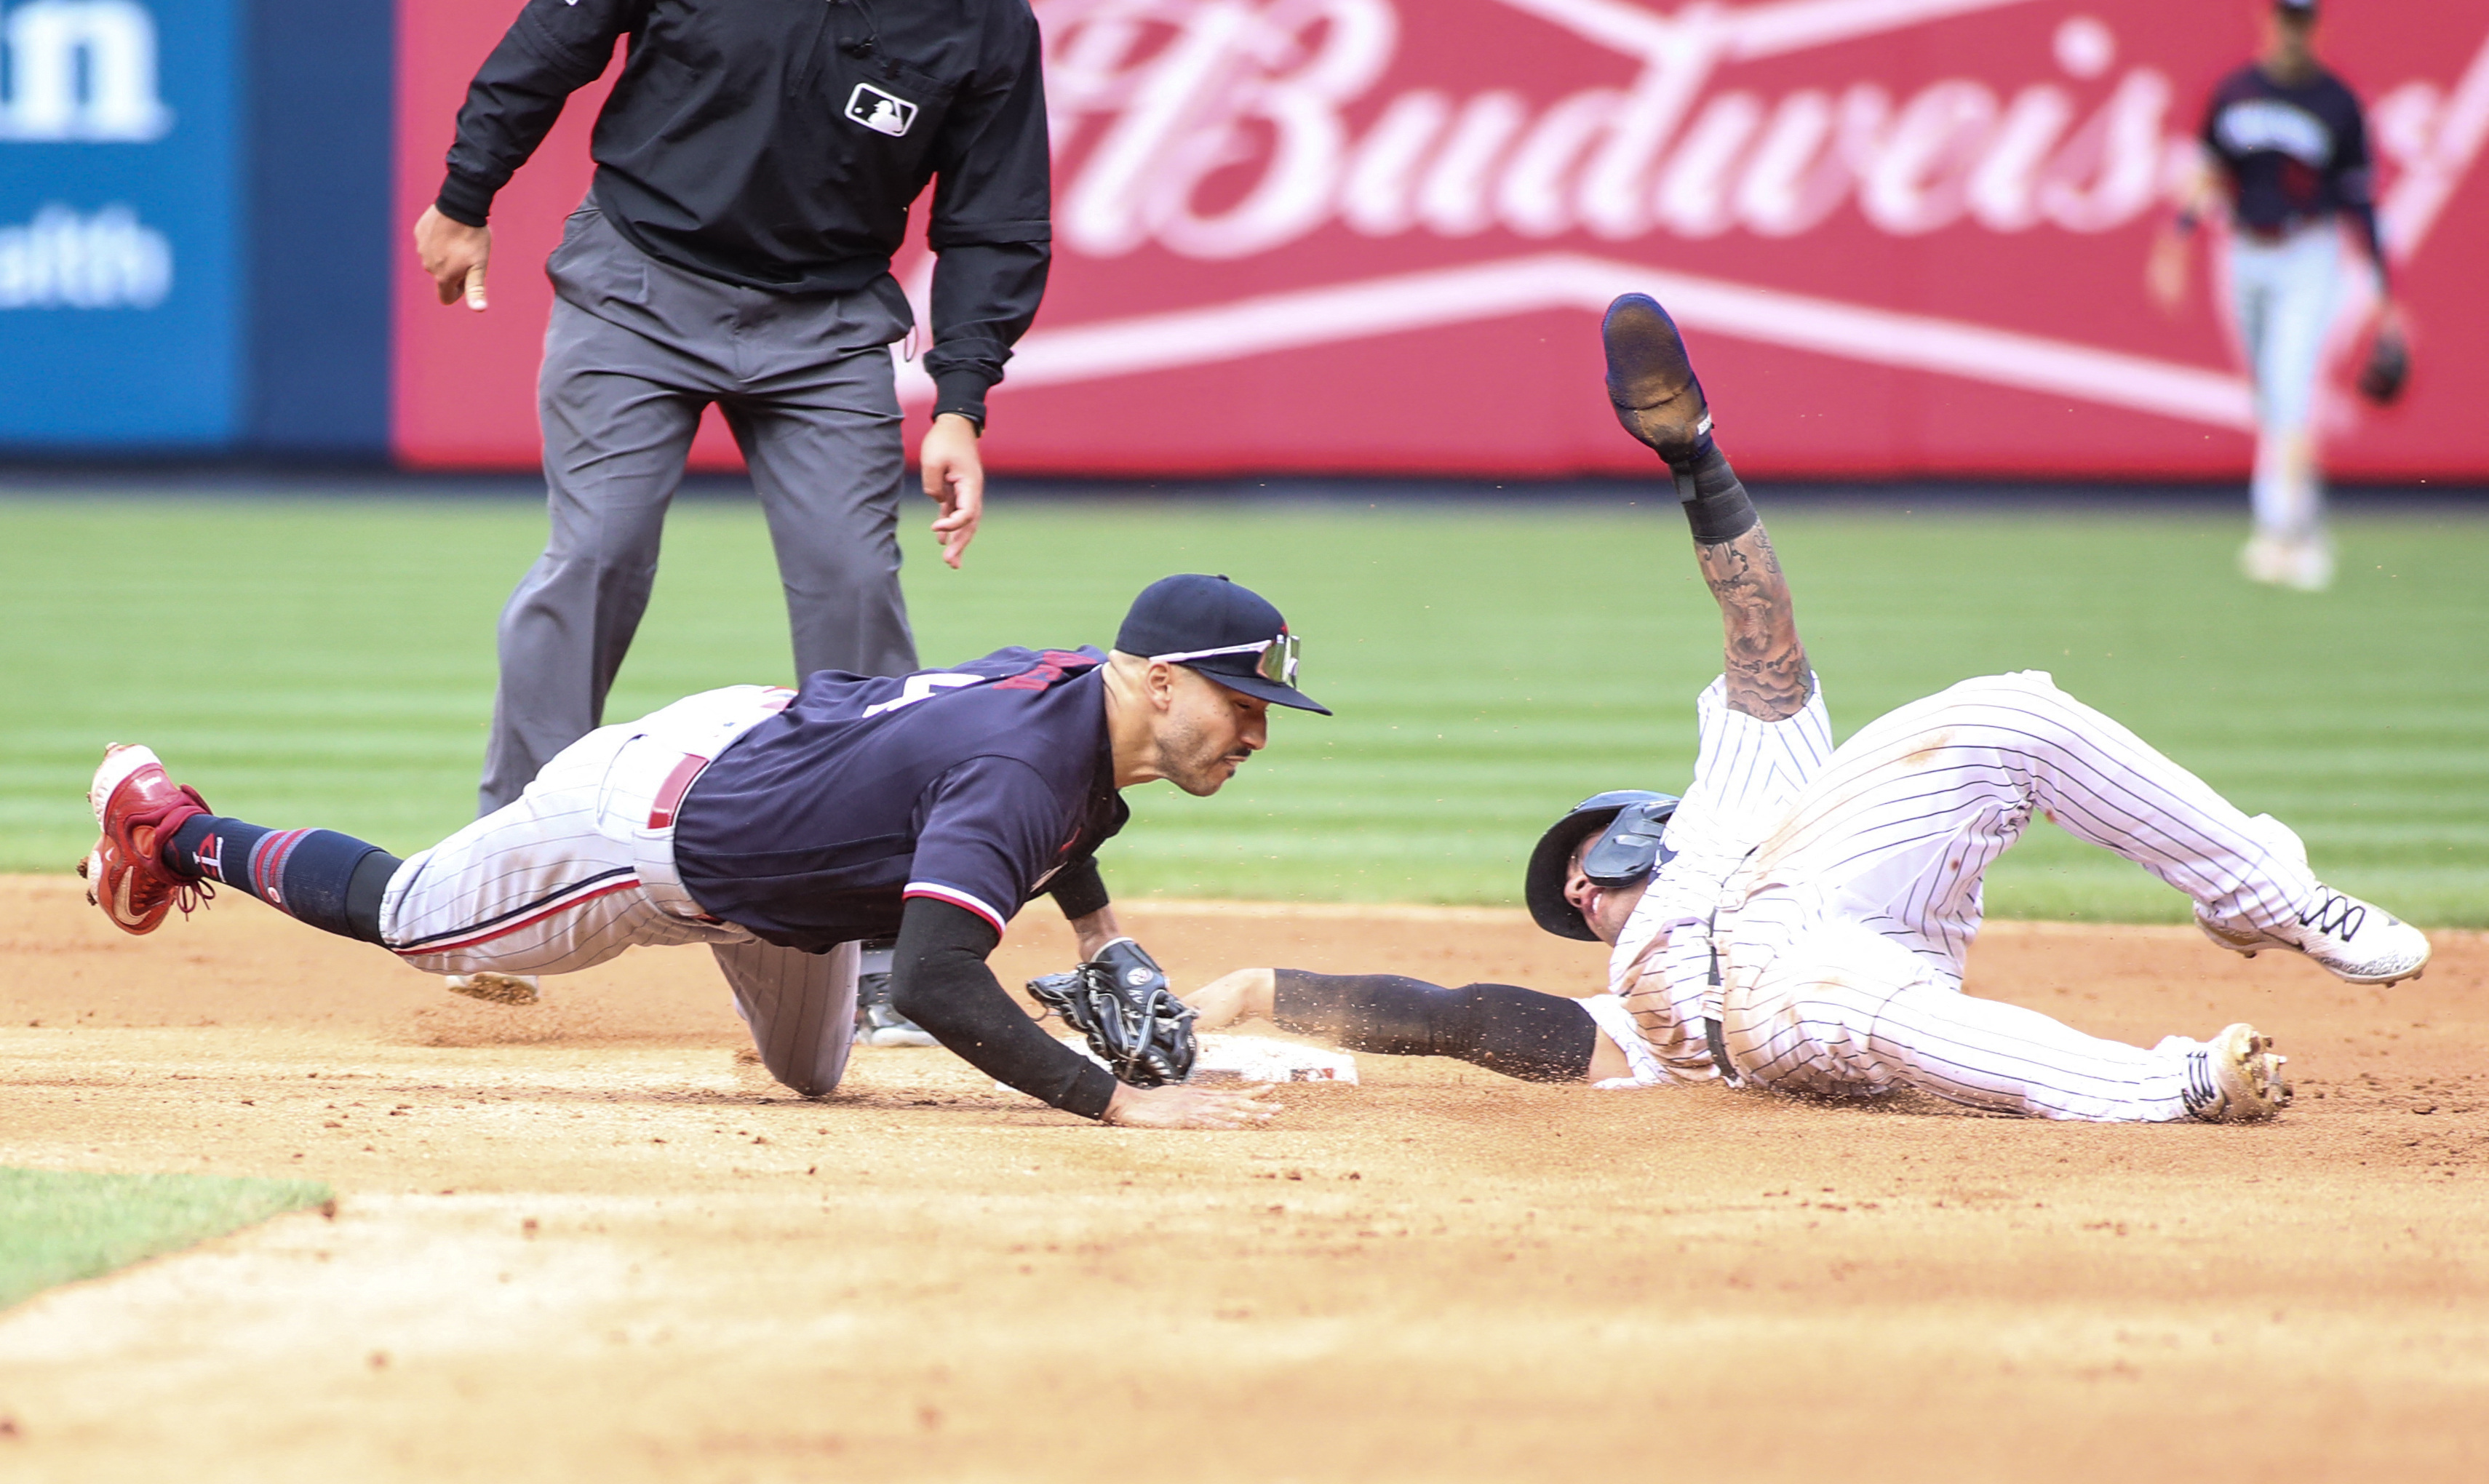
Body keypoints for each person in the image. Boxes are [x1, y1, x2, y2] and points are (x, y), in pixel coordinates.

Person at [1184, 295, 2429, 1125]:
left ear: (1642, 823)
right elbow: (1452, 1019)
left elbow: (1758, 635)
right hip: (1783, 1007)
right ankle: (2177, 1089)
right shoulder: (1633, 1008)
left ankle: (2268, 897)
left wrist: (1696, 466)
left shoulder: (1744, 791)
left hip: (1837, 888)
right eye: (1566, 897)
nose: (1573, 891)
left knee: (2006, 708)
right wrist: (1254, 991)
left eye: (1580, 857)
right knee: (1847, 1000)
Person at [79, 577, 1326, 1131]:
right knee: (412, 913)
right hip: (652, 829)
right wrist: (1108, 1098)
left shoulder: (1076, 701)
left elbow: (1044, 811)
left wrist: (1100, 933)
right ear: (1158, 684)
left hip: (774, 820)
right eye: (1242, 705)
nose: (1257, 733)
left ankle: (773, 931)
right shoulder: (1026, 770)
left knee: (811, 1080)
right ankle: (168, 825)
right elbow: (942, 980)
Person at [410, 0, 1054, 1034]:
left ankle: (881, 921)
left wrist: (963, 400)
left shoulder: (982, 22)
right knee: (597, 556)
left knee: (853, 584)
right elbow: (553, 41)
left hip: (831, 320)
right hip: (636, 282)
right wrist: (464, 193)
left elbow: (995, 217)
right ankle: (506, 872)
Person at [2148, 0, 2403, 592]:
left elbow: (2359, 200)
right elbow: (2208, 171)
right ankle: (2305, 524)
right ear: (2268, 22)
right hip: (2241, 252)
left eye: (2303, 19)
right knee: (2268, 395)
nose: (2293, 30)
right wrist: (2176, 237)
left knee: (2291, 384)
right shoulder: (2234, 90)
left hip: (2307, 253)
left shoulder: (2336, 100)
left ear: (2316, 26)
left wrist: (2386, 295)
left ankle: (2279, 532)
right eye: (2286, 18)